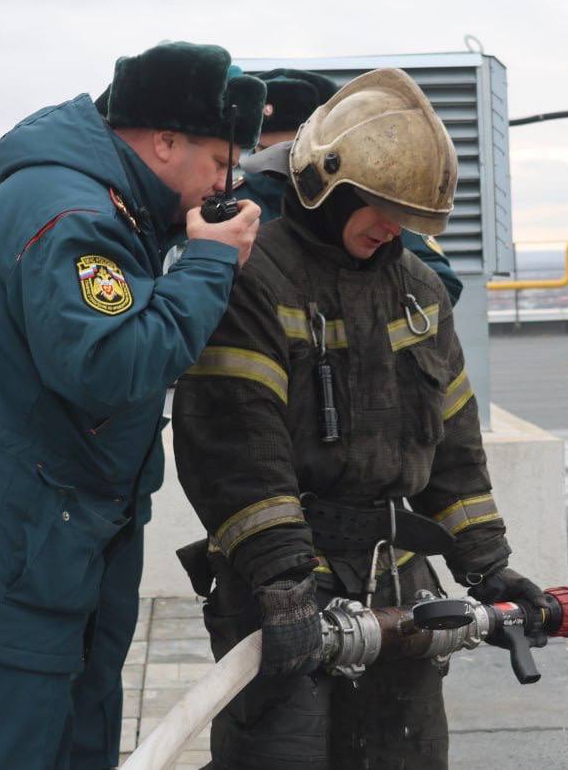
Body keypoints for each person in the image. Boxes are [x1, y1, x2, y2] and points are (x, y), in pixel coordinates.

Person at [0, 41, 266, 770]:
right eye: (221, 163)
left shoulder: (107, 202)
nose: (226, 183)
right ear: (165, 141)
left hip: (43, 552)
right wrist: (208, 263)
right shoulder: (69, 214)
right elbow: (110, 362)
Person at [172, 68, 547, 769]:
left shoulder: (420, 292)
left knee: (404, 755)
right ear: (328, 184)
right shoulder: (256, 282)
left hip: (396, 579)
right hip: (280, 587)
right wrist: (285, 586)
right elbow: (236, 449)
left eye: (406, 212)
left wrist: (489, 569)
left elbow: (455, 450)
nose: (392, 227)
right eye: (378, 205)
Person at [238, 68, 464, 305]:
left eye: (294, 151)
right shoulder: (232, 207)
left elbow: (440, 285)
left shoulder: (374, 203)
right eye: (265, 151)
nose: (287, 166)